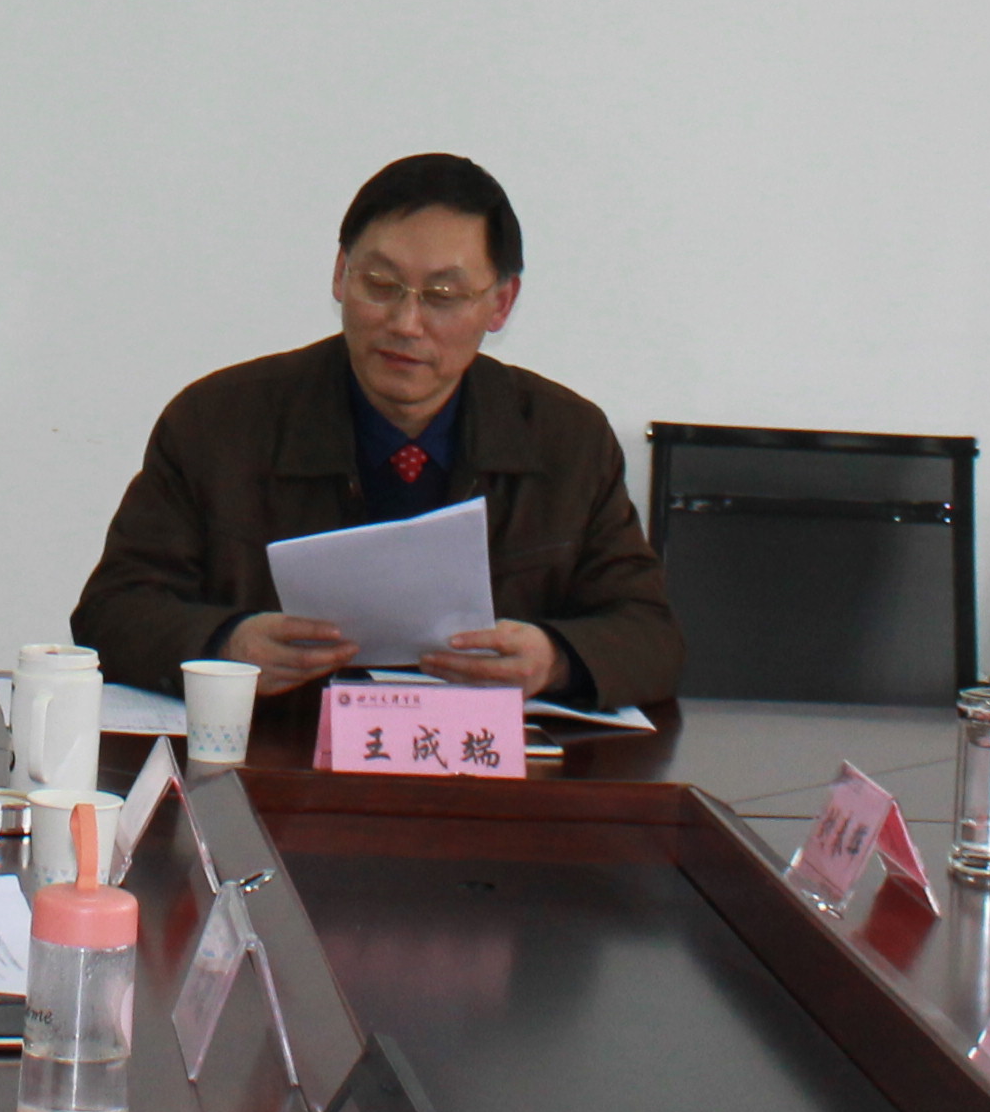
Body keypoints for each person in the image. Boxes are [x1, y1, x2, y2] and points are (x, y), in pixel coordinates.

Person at [71, 153, 682, 708]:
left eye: (443, 294)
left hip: (483, 773)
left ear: (500, 303)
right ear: (341, 274)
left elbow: (651, 637)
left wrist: (554, 660)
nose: (406, 322)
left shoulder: (567, 440)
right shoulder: (217, 423)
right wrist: (227, 645)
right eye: (381, 285)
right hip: (276, 757)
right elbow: (112, 612)